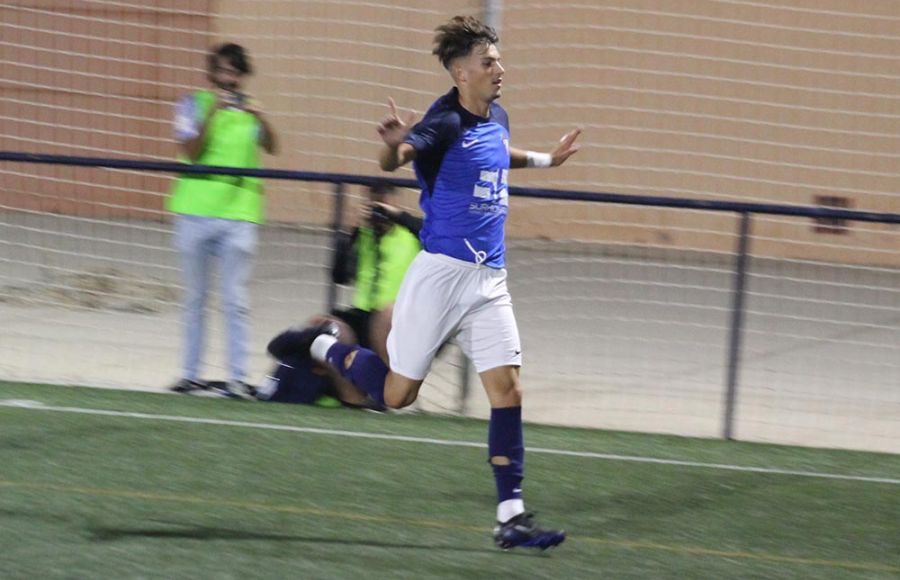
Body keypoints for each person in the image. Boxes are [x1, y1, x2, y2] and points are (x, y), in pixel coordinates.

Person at [279, 16, 581, 550]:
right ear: (461, 72)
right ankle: (322, 345)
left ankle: (510, 518)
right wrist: (392, 146)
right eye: (489, 62)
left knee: (508, 390)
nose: (500, 69)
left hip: (489, 280)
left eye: (499, 60)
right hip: (439, 277)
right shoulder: (441, 122)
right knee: (397, 394)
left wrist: (547, 159)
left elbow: (498, 156)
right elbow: (397, 157)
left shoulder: (496, 115)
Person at [167, 42, 279, 399]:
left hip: (239, 215)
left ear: (242, 76)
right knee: (195, 298)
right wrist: (211, 113)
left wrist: (262, 118)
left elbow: (274, 147)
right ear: (211, 72)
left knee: (236, 300)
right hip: (195, 212)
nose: (228, 78)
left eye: (234, 71)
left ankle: (237, 378)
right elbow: (189, 150)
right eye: (222, 70)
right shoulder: (192, 104)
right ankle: (191, 374)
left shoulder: (249, 111)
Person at [330, 182, 422, 361]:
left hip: (399, 319)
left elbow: (429, 231)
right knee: (322, 329)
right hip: (363, 316)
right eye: (374, 206)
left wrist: (398, 216)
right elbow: (339, 276)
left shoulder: (411, 234)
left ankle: (389, 384)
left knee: (384, 321)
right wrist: (352, 231)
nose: (379, 213)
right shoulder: (362, 234)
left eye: (383, 206)